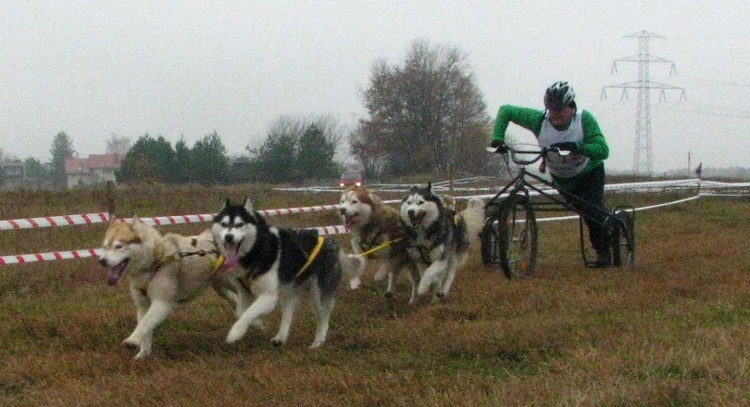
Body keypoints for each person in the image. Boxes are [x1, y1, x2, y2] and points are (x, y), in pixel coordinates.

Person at [489, 81, 612, 267]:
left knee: (592, 213)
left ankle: (604, 252)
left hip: (589, 174)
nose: (555, 114)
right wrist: (498, 138)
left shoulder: (584, 119)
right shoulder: (539, 119)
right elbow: (505, 110)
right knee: (583, 210)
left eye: (560, 110)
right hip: (562, 179)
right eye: (551, 109)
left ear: (571, 108)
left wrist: (579, 147)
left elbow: (603, 150)